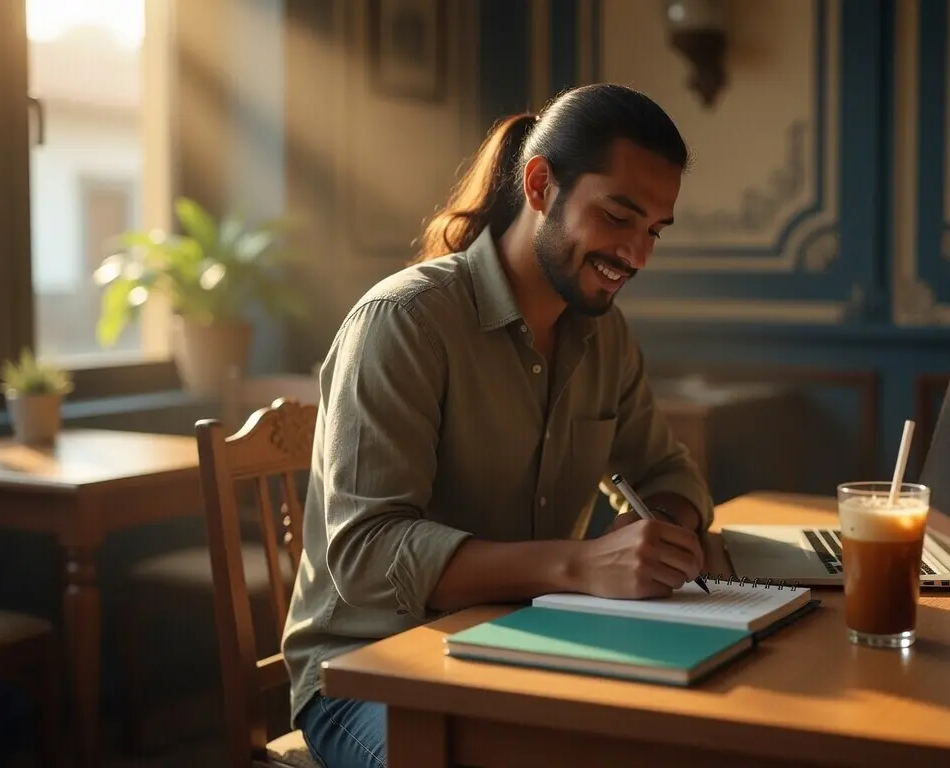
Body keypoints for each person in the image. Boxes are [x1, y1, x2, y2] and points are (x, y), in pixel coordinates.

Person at [282, 83, 712, 768]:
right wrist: (582, 566)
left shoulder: (605, 335)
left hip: (528, 642)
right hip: (369, 672)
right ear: (541, 185)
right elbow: (367, 553)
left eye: (654, 231)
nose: (637, 255)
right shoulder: (405, 322)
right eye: (619, 217)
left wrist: (660, 528)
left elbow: (667, 471)